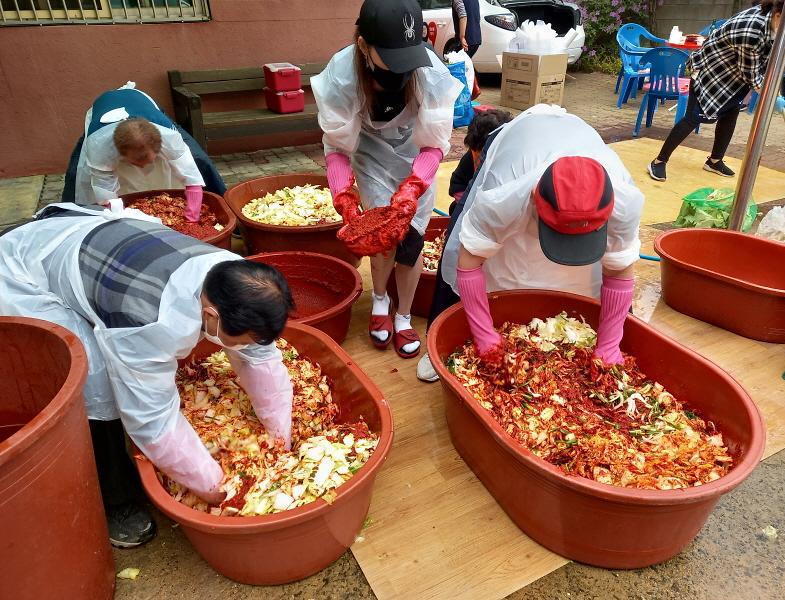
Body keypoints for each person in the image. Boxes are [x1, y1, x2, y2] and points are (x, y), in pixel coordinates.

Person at [0, 203, 295, 547]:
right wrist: (214, 486)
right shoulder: (147, 320)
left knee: (122, 377)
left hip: (93, 244)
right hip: (26, 269)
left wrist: (280, 438)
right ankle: (116, 500)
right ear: (211, 316)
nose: (246, 346)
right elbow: (152, 420)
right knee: (96, 386)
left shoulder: (236, 278)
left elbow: (259, 358)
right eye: (239, 339)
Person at [417, 105, 644, 381]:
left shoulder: (625, 200)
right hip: (515, 143)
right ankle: (436, 347)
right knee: (457, 238)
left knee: (605, 304)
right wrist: (485, 336)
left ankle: (612, 346)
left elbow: (621, 268)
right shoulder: (502, 196)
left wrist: (608, 343)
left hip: (579, 137)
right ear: (535, 199)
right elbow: (469, 260)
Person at [312, 0, 463, 359]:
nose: (402, 68)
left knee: (411, 242)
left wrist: (413, 187)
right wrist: (344, 197)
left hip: (417, 159)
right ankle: (380, 300)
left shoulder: (430, 73)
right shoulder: (341, 77)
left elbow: (435, 145)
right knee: (380, 237)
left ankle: (404, 314)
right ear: (364, 45)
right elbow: (337, 149)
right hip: (372, 156)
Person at [648, 0, 785, 182]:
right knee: (692, 117)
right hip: (709, 71)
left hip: (731, 75)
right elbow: (750, 73)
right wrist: (768, 94)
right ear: (778, 15)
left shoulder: (771, 20)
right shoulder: (753, 31)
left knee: (730, 113)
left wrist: (775, 89)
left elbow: (766, 60)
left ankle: (714, 160)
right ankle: (658, 161)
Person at [62, 82, 227, 222]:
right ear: (120, 152)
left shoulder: (168, 135)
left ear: (159, 147)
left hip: (143, 104)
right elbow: (105, 192)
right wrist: (120, 218)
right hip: (101, 115)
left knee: (199, 158)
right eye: (135, 163)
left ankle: (226, 204)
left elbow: (192, 178)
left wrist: (191, 218)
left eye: (148, 161)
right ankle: (67, 217)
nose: (142, 169)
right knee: (77, 174)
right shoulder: (98, 145)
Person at [448, 109, 513, 214]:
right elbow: (457, 185)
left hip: (499, 207)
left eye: (483, 158)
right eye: (476, 156)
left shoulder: (511, 163)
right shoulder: (468, 161)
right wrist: (471, 205)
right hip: (472, 205)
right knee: (454, 208)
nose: (478, 162)